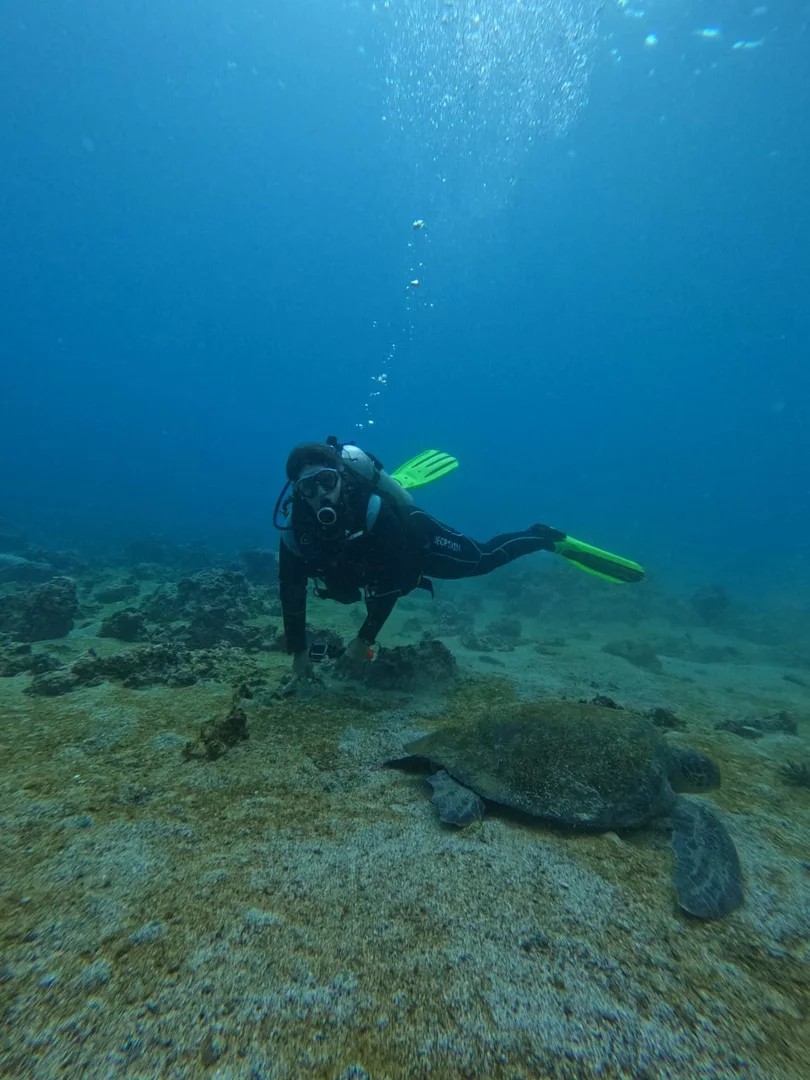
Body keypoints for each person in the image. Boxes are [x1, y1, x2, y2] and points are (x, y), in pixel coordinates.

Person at [276, 438, 643, 693]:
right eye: (309, 488)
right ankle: (395, 488)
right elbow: (291, 594)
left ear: (341, 479)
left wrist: (363, 640)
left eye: (327, 481)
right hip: (361, 565)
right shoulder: (297, 533)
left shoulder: (372, 510)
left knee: (481, 560)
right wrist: (299, 656)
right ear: (297, 493)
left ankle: (545, 537)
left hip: (411, 542)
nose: (321, 493)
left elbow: (392, 579)